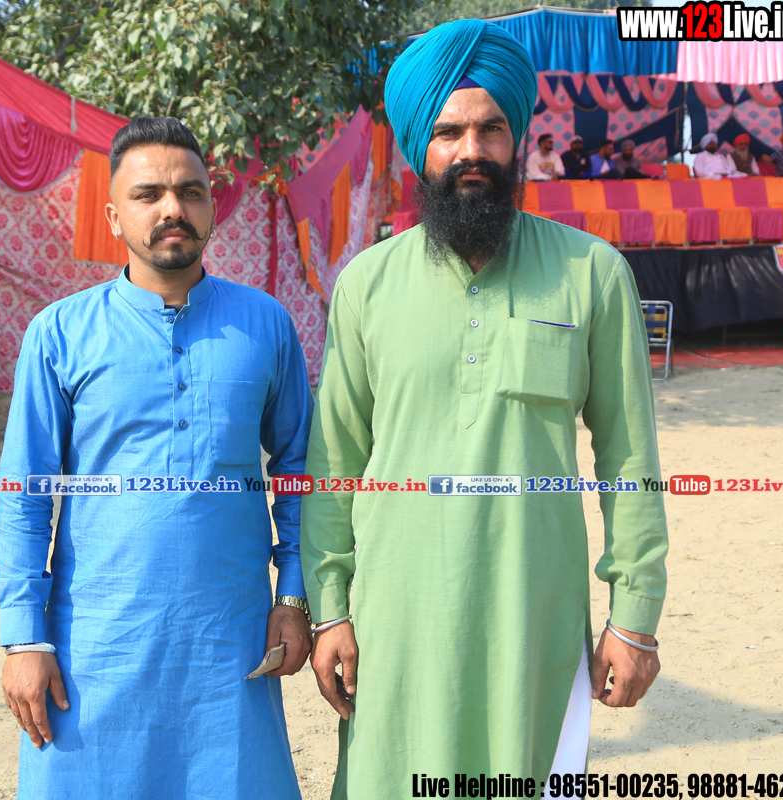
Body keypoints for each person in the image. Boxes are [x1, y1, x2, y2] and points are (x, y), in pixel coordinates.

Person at [303, 18, 668, 797]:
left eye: (490, 129)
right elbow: (334, 461)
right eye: (448, 133)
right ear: (420, 148)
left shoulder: (592, 273)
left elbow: (629, 456)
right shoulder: (366, 284)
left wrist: (634, 615)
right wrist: (330, 609)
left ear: (517, 138)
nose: (471, 150)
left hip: (534, 613)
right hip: (398, 614)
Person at [0, 117, 313, 799]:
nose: (173, 208)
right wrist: (24, 639)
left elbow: (299, 473)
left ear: (211, 207)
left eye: (191, 191)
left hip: (229, 645)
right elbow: (23, 496)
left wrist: (293, 594)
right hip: (95, 646)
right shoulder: (59, 334)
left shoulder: (265, 324)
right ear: (114, 217)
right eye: (148, 195)